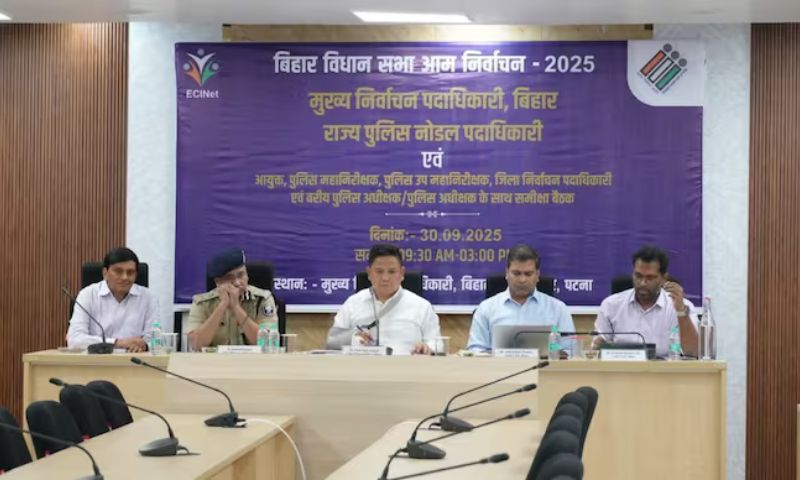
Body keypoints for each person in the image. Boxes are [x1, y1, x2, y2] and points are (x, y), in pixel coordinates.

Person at [326, 244, 441, 355]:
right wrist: (352, 338)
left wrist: (427, 348)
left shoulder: (422, 306)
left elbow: (437, 344)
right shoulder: (352, 304)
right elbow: (332, 342)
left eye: (392, 272)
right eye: (379, 272)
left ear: (402, 273)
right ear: (369, 273)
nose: (385, 278)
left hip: (407, 366)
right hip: (363, 367)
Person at [593, 245, 699, 357]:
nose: (642, 283)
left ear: (663, 278)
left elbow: (693, 352)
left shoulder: (681, 307)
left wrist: (681, 312)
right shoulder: (611, 305)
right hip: (622, 367)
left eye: (650, 278)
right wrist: (598, 345)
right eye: (638, 276)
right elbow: (596, 348)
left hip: (664, 368)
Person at [468, 244, 574, 352]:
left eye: (528, 274)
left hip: (543, 363)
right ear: (507, 273)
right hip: (499, 364)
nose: (522, 280)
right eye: (516, 273)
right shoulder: (486, 309)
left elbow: (570, 351)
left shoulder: (558, 310)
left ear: (537, 275)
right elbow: (476, 350)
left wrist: (554, 351)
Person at [67, 247, 160, 352]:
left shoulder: (148, 298)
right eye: (118, 271)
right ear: (105, 273)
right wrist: (117, 343)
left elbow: (156, 340)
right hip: (96, 360)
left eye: (130, 272)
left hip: (135, 359)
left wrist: (144, 345)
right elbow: (74, 340)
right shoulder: (88, 295)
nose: (125, 277)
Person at [187, 248, 278, 349]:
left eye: (241, 275)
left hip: (253, 359)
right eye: (229, 278)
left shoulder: (263, 299)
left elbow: (268, 342)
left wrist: (236, 307)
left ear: (247, 275)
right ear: (218, 282)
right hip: (216, 359)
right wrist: (222, 306)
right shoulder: (202, 303)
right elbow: (196, 345)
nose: (237, 283)